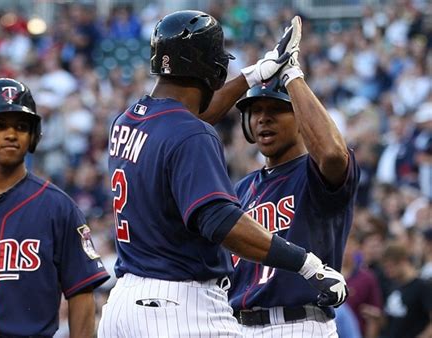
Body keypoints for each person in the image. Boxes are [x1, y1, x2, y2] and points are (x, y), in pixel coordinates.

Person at [98, 10, 348, 337]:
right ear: (211, 70)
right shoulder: (192, 134)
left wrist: (255, 74)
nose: (262, 119)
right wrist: (306, 264)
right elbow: (218, 220)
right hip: (178, 306)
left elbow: (186, 121)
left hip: (122, 305)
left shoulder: (127, 121)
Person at [228, 16, 360, 336]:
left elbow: (331, 154)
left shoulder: (313, 174)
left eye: (275, 109)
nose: (262, 119)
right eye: (255, 111)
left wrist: (290, 75)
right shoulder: (241, 189)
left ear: (300, 115)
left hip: (300, 324)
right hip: (239, 325)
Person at [0, 78, 110, 337]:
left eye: (21, 126)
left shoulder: (58, 207)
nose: (11, 134)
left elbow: (81, 293)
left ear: (33, 136)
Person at [382, 241, 432, 338]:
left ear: (403, 262)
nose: (387, 272)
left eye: (390, 266)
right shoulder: (392, 286)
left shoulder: (423, 286)